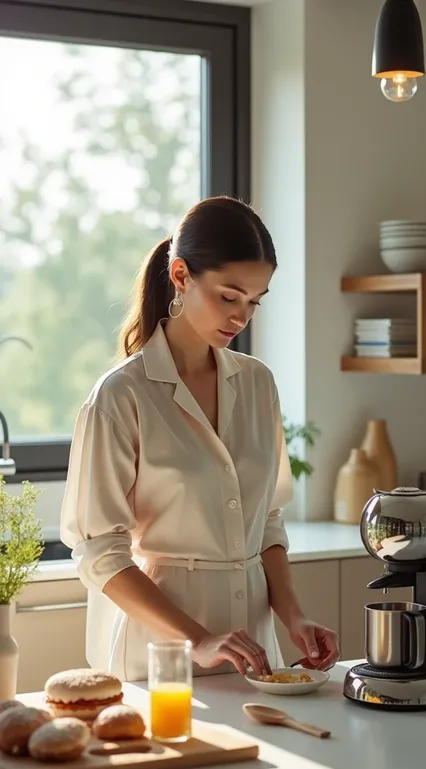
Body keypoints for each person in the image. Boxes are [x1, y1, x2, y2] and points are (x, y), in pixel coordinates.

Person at [60, 196, 339, 681]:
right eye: (229, 296)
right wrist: (199, 640)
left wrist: (292, 616)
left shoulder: (257, 384)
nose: (242, 317)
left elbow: (267, 521)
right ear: (182, 276)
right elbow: (99, 551)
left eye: (254, 301)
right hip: (159, 658)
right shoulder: (120, 396)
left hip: (254, 652)